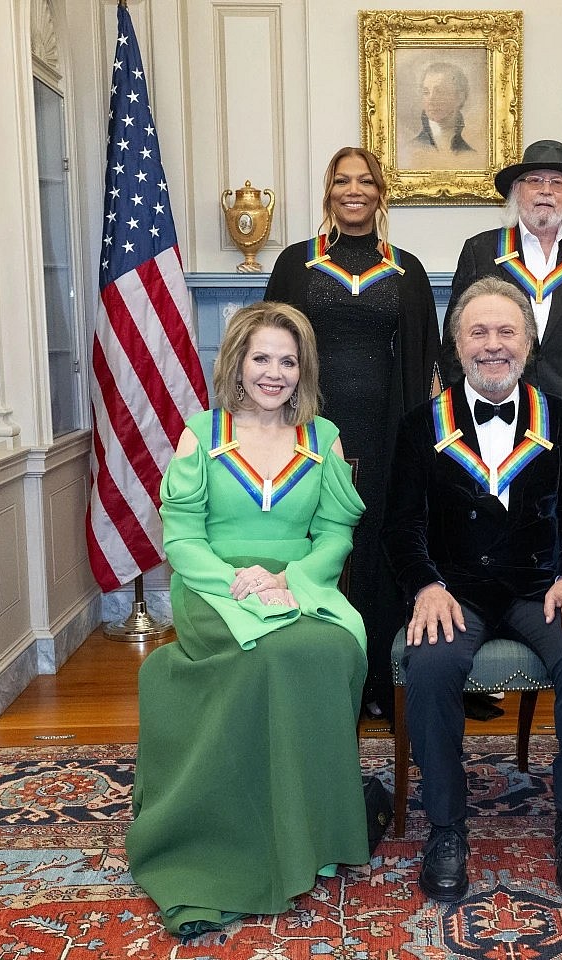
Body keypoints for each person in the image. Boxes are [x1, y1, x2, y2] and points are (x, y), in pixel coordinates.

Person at [126, 302, 370, 937]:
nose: (275, 372)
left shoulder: (325, 438)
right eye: (262, 358)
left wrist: (292, 580)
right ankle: (236, 831)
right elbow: (180, 539)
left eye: (288, 361)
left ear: (303, 370)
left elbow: (337, 531)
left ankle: (311, 826)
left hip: (301, 585)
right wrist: (237, 583)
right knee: (268, 655)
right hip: (215, 588)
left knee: (332, 649)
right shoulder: (201, 436)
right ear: (236, 363)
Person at [384, 276, 562, 903]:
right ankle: (447, 827)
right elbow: (399, 527)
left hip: (539, 587)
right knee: (429, 665)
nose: (493, 345)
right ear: (457, 346)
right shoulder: (419, 425)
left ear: (528, 344)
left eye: (506, 331)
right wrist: (425, 586)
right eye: (478, 332)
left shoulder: (560, 420)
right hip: (453, 590)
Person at [266, 146, 441, 721]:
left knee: (376, 546)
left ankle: (378, 681)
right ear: (328, 192)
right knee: (322, 544)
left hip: (388, 433)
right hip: (311, 429)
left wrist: (422, 446)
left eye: (366, 181)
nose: (354, 190)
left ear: (380, 192)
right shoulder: (298, 264)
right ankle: (320, 678)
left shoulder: (406, 269)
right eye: (343, 181)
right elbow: (268, 350)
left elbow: (424, 359)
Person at [445, 139, 562, 483]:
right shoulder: (481, 251)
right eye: (535, 181)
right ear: (516, 190)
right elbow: (455, 344)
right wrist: (465, 414)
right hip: (495, 421)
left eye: (557, 183)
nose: (546, 190)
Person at [411, 61, 476, 155]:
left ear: (460, 97)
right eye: (426, 92)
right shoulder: (411, 149)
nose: (431, 100)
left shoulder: (471, 154)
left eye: (439, 92)